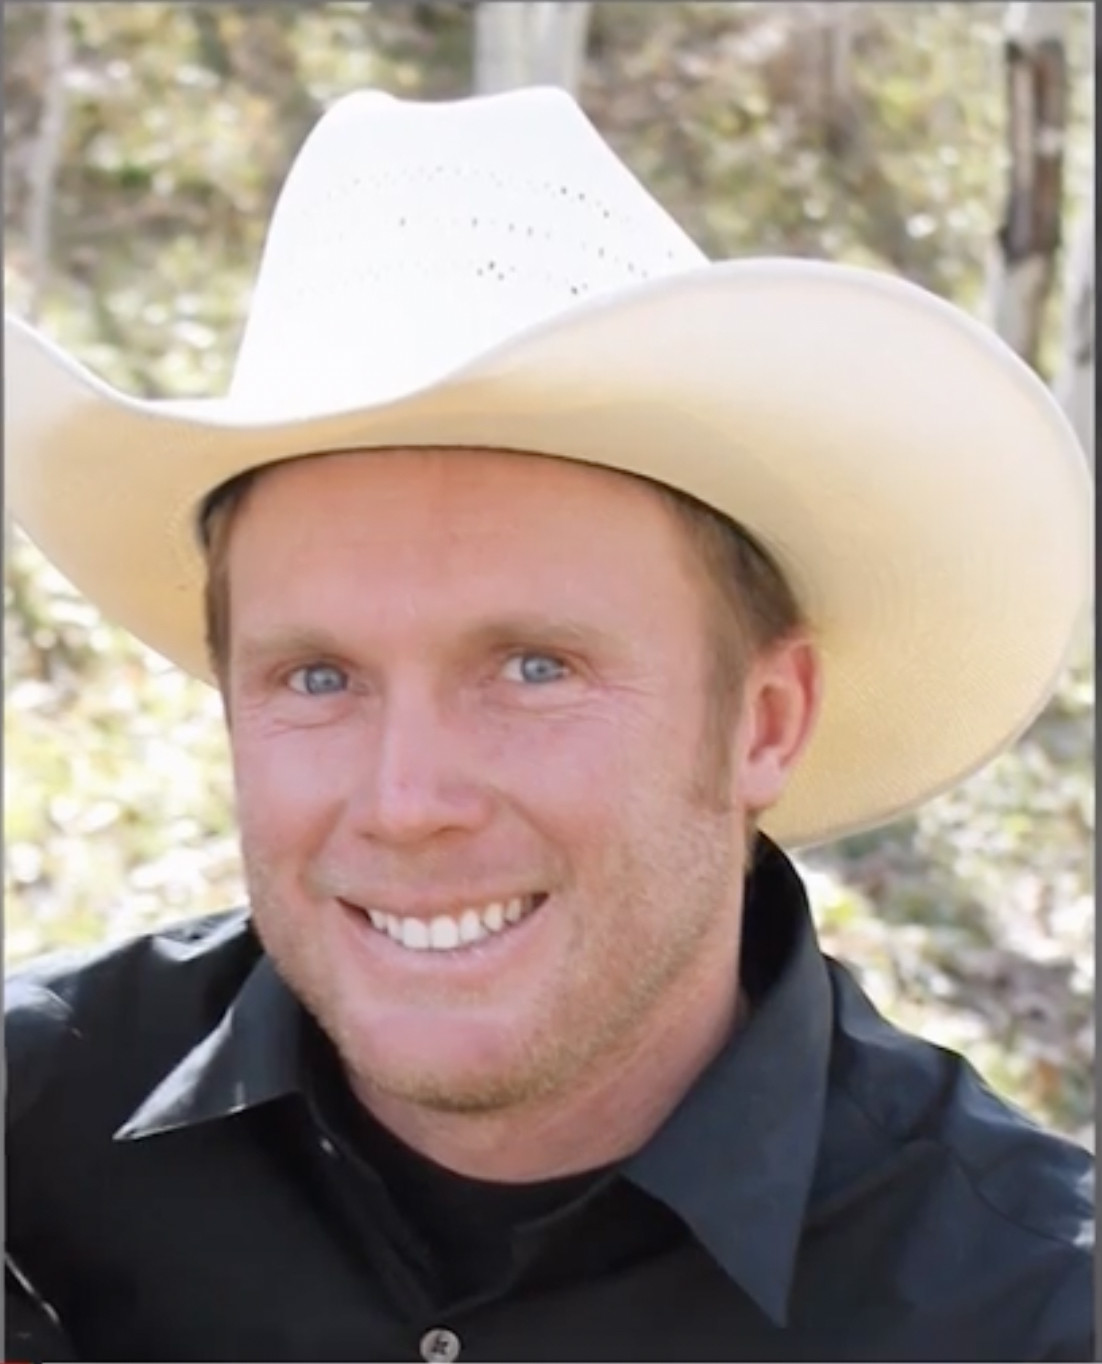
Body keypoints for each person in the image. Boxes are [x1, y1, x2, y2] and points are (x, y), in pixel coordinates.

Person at [5, 86, 1093, 1364]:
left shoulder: (1025, 1314)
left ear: (762, 719)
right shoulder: (29, 1131)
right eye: (316, 676)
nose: (407, 800)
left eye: (533, 667)